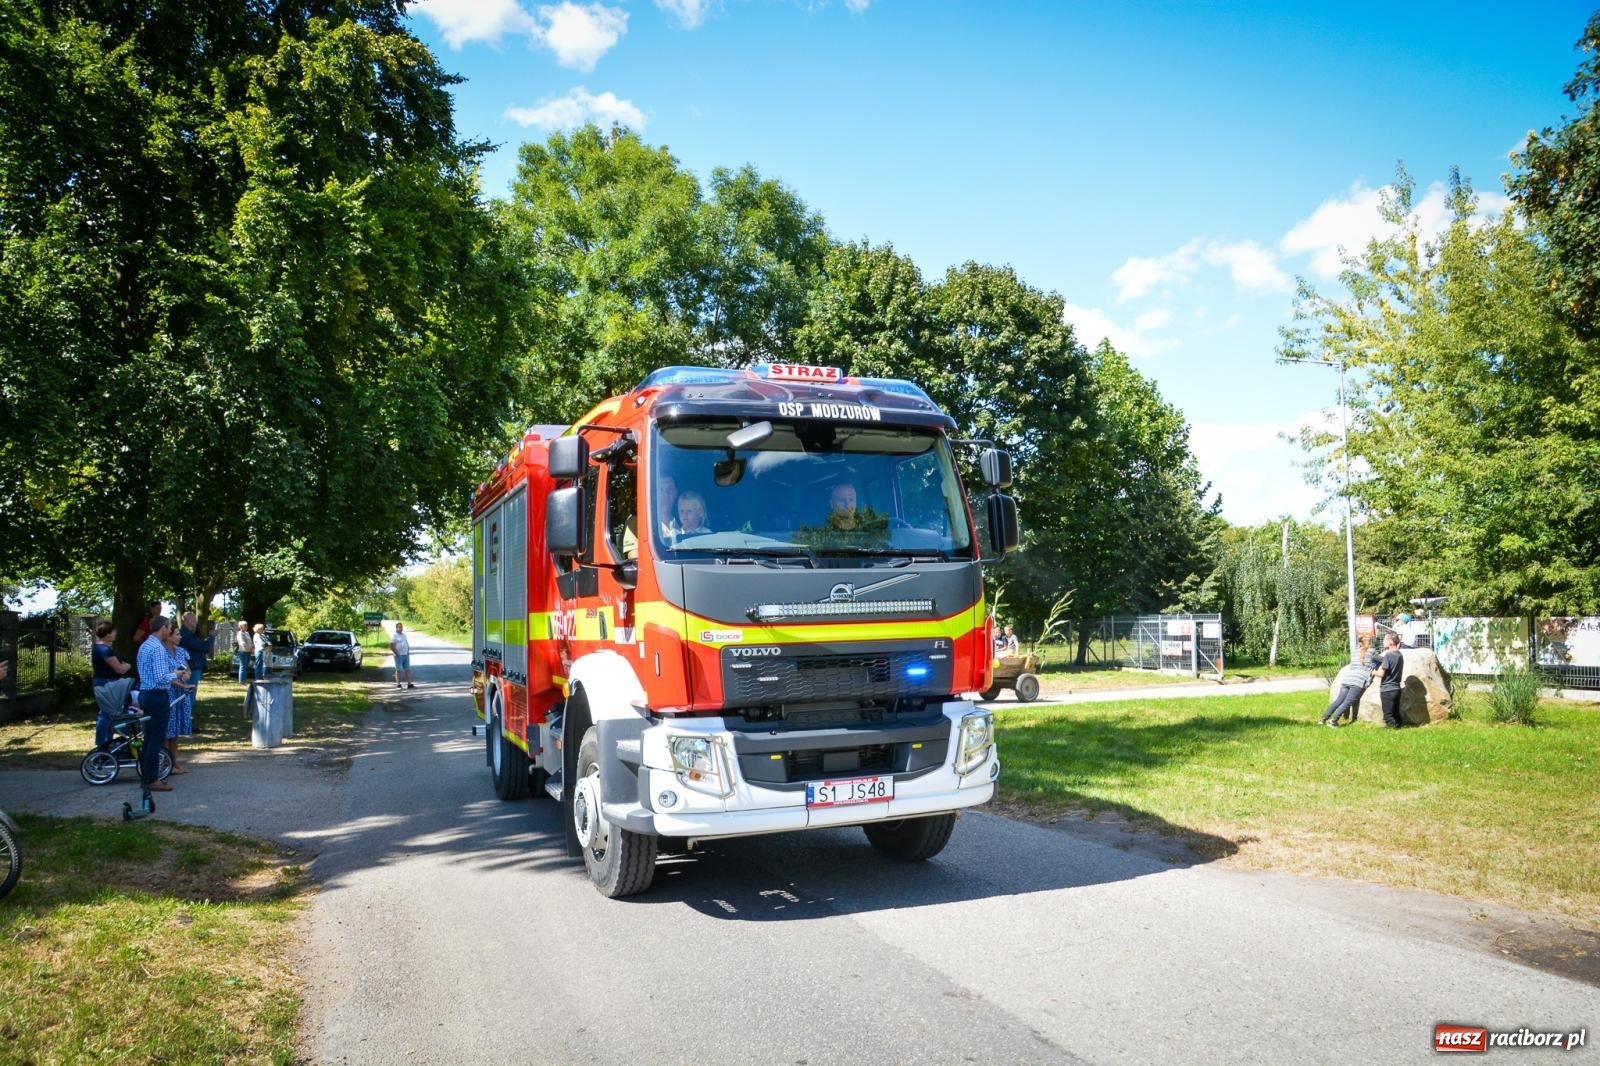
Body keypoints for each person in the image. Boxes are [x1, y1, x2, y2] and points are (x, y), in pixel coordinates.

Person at [134, 615, 183, 792]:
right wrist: (176, 674)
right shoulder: (158, 649)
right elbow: (161, 677)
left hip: (145, 693)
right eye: (169, 627)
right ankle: (153, 779)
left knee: (148, 738)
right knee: (156, 739)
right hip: (157, 695)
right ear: (163, 627)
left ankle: (147, 776)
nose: (170, 631)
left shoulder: (145, 645)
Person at [91, 620, 133, 749]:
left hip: (105, 683)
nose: (116, 634)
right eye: (114, 632)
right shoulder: (104, 650)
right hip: (108, 684)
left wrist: (123, 665)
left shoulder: (101, 648)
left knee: (110, 713)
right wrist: (127, 666)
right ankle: (103, 744)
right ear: (108, 634)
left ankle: (108, 742)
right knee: (107, 714)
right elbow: (119, 668)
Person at [1319, 635, 1376, 727]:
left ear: (1359, 643)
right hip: (1359, 681)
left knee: (1338, 701)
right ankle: (1333, 721)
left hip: (1348, 679)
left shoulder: (1354, 652)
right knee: (1347, 702)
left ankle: (1323, 719)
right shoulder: (1372, 651)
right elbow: (1383, 659)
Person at [162, 624, 194, 774]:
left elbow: (187, 670)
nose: (180, 637)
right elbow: (164, 675)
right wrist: (179, 680)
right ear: (169, 636)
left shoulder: (181, 651)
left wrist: (186, 675)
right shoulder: (161, 652)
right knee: (167, 729)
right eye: (177, 634)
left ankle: (174, 761)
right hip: (168, 693)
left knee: (175, 730)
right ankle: (165, 763)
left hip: (181, 694)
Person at [178, 611, 214, 702]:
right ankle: (187, 710)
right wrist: (211, 637)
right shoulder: (186, 634)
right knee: (189, 693)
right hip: (191, 667)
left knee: (190, 693)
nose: (196, 622)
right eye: (194, 619)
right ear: (188, 621)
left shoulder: (189, 634)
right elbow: (201, 647)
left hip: (192, 666)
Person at [1374, 631, 1406, 728]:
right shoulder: (1399, 655)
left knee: (1388, 716)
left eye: (1385, 639)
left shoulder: (1388, 655)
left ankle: (1393, 726)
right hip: (1396, 688)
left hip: (1387, 689)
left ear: (1391, 642)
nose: (1383, 641)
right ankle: (1398, 725)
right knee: (1395, 713)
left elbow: (1381, 673)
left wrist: (1373, 672)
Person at [390, 621, 414, 689]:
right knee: (399, 670)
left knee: (407, 669)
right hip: (398, 655)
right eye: (399, 627)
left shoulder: (404, 635)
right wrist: (397, 654)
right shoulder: (394, 636)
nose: (401, 628)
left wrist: (408, 651)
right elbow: (391, 646)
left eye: (401, 627)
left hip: (405, 654)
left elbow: (406, 643)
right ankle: (398, 684)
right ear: (396, 628)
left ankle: (409, 684)